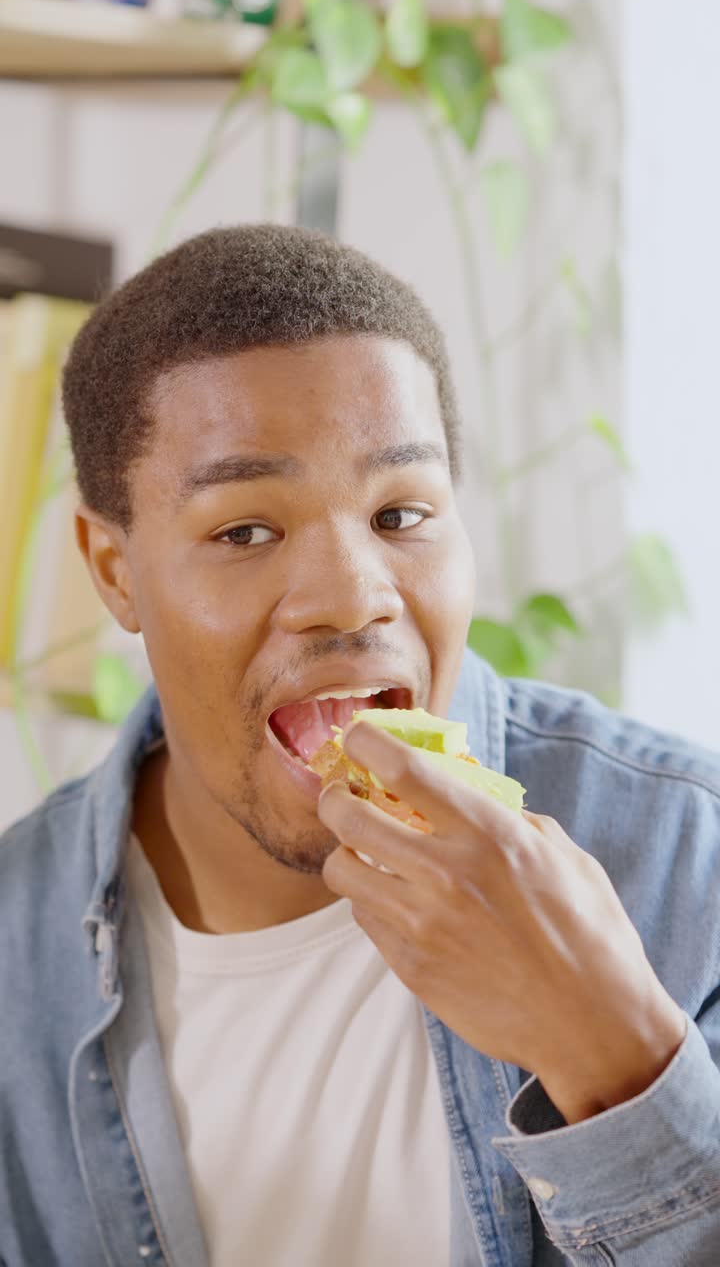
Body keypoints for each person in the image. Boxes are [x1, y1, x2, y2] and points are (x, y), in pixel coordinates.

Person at [1, 224, 718, 1267]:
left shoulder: (689, 861)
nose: (351, 594)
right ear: (114, 571)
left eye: (402, 511)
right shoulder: (14, 954)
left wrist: (610, 1048)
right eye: (246, 529)